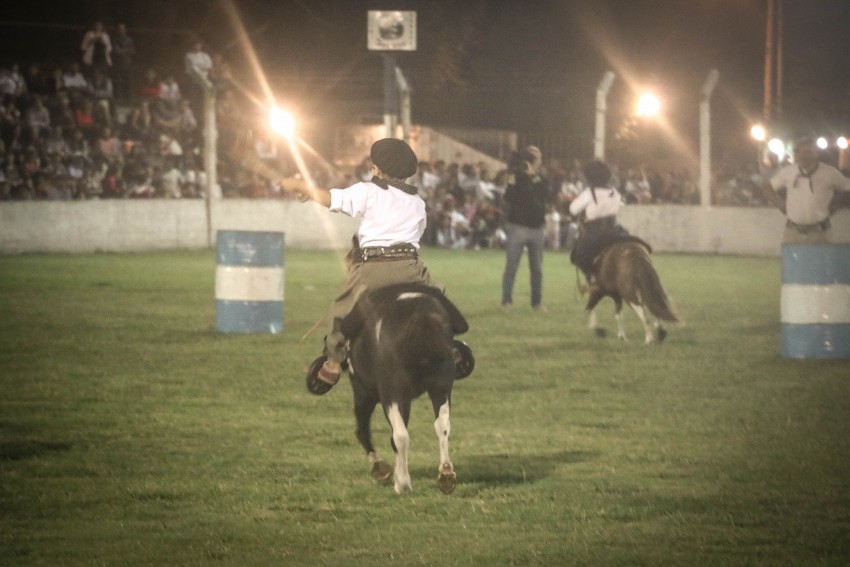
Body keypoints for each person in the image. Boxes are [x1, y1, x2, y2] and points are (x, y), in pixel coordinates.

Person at [284, 138, 469, 392]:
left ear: (378, 169)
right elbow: (418, 234)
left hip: (373, 268)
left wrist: (303, 187)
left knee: (340, 309)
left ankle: (334, 362)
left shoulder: (368, 191)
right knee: (438, 296)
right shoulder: (417, 202)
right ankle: (449, 344)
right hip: (411, 267)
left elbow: (331, 200)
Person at [760, 136, 850, 244]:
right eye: (799, 153)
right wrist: (779, 204)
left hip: (820, 233)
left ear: (816, 153)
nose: (804, 156)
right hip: (793, 232)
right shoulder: (788, 171)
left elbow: (847, 187)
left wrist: (837, 205)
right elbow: (767, 187)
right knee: (792, 261)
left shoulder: (829, 173)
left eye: (808, 152)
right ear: (796, 155)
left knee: (821, 261)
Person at [569, 160, 642, 293]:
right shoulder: (613, 192)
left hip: (595, 233)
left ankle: (592, 279)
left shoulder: (589, 193)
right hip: (614, 230)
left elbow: (573, 209)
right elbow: (620, 204)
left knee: (577, 257)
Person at [500, 145, 553, 311]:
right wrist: (513, 180)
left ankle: (536, 302)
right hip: (517, 227)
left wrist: (532, 176)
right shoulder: (516, 177)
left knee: (537, 268)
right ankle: (506, 300)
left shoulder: (541, 179)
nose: (534, 161)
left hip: (537, 228)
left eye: (535, 158)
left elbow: (546, 195)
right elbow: (508, 198)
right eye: (532, 157)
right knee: (511, 266)